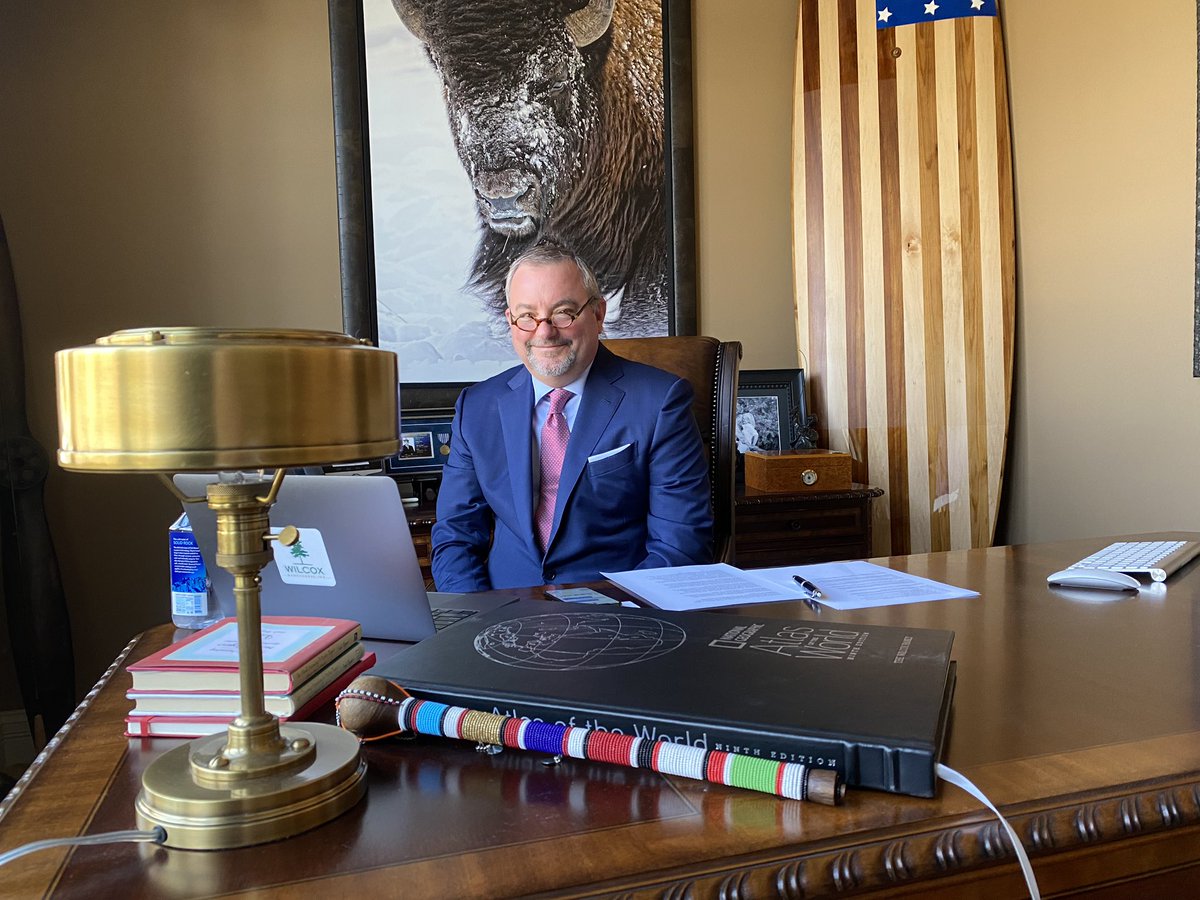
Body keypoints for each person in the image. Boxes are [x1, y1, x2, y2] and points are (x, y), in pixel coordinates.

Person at [431, 243, 713, 591]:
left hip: (618, 611)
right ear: (510, 321)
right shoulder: (476, 408)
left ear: (598, 314)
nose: (544, 332)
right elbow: (455, 536)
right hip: (503, 611)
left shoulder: (660, 402)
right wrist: (477, 615)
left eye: (563, 313)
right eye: (527, 316)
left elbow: (680, 546)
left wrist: (621, 615)